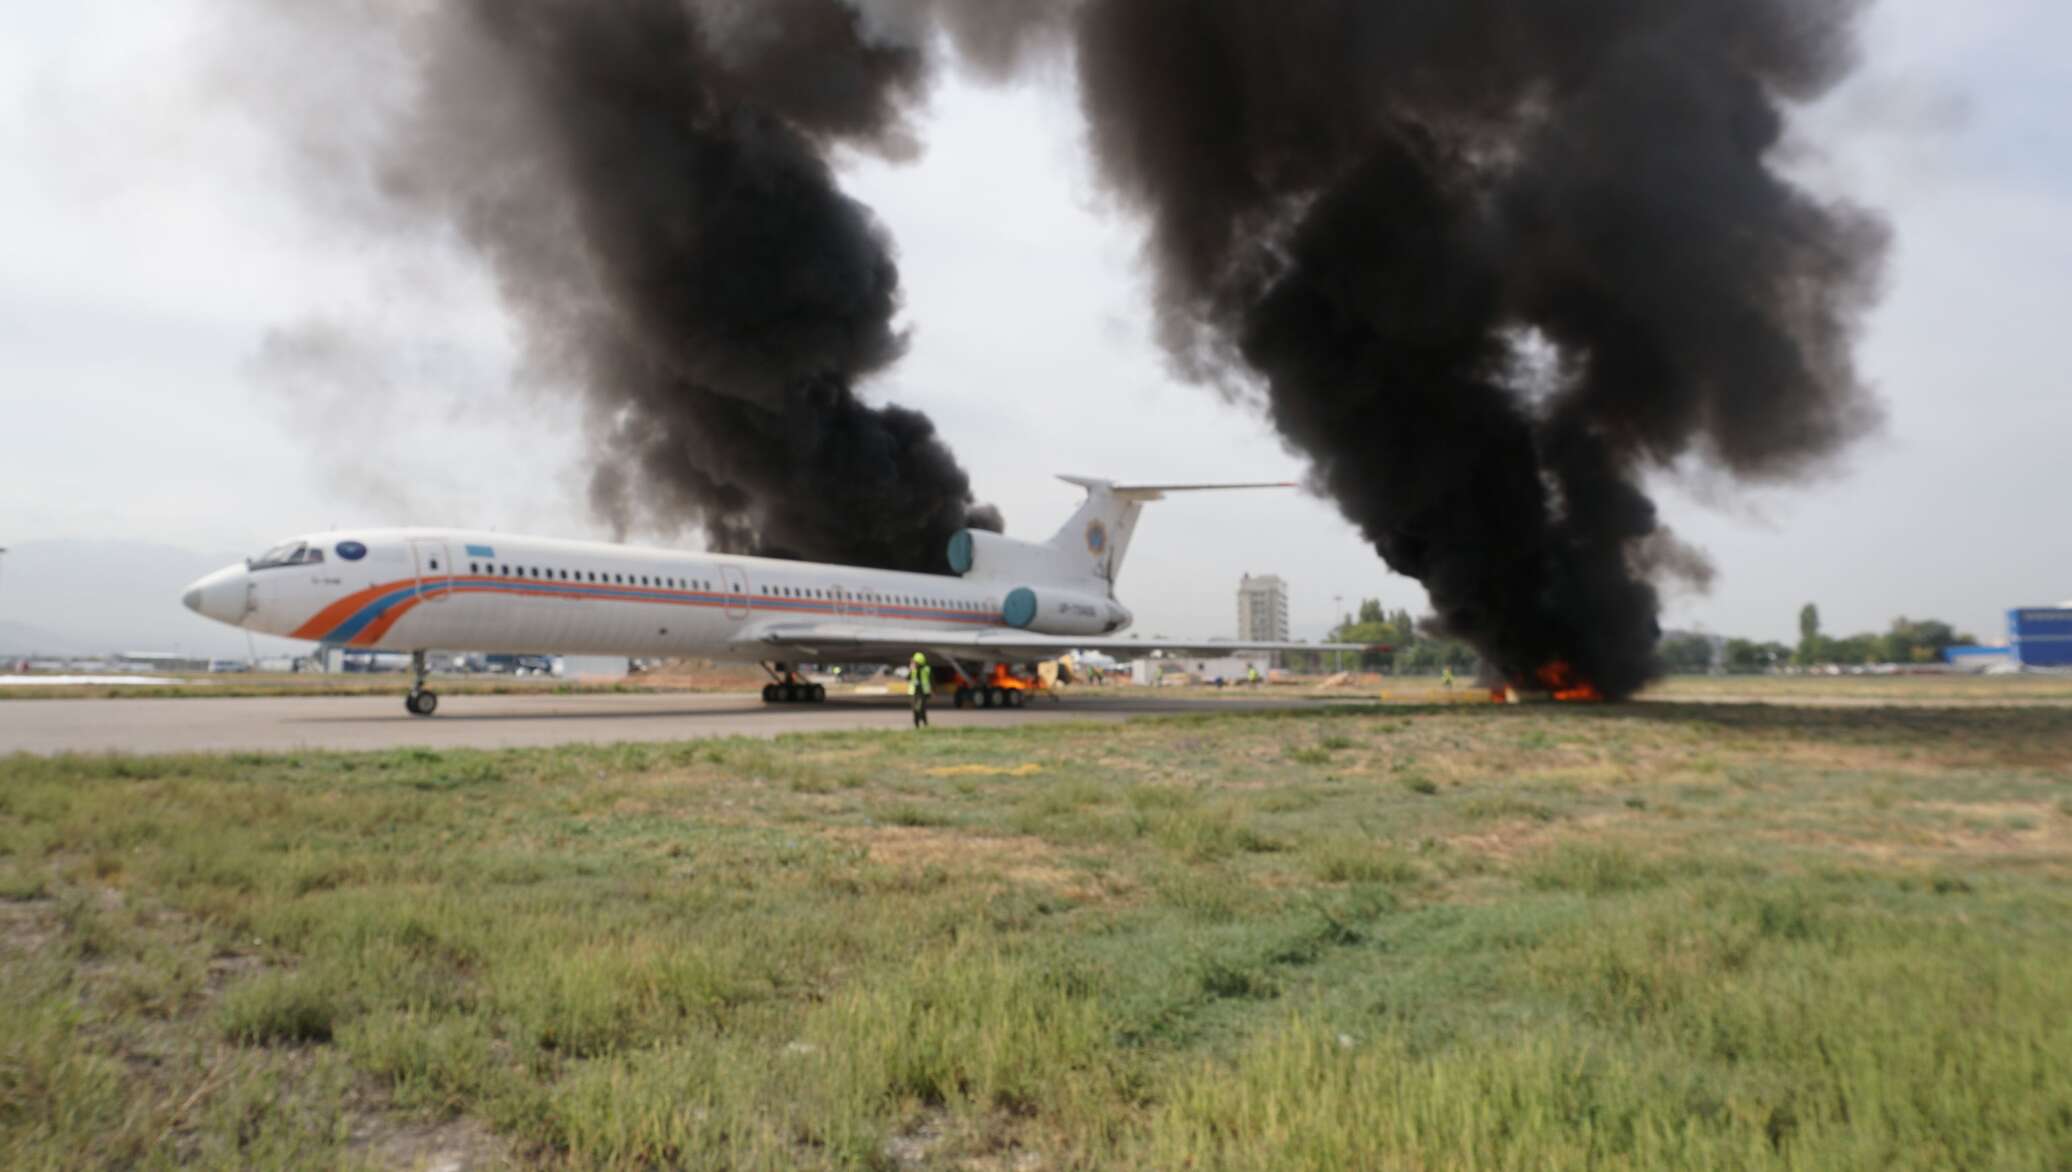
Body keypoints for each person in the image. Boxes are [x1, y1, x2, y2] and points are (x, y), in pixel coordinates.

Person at [908, 651, 933, 728]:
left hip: (923, 692)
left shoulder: (926, 669)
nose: (914, 662)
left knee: (922, 708)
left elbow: (931, 680)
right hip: (914, 692)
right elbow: (908, 678)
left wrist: (931, 692)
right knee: (915, 709)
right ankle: (917, 725)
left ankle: (925, 724)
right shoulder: (913, 668)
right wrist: (911, 670)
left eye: (916, 661)